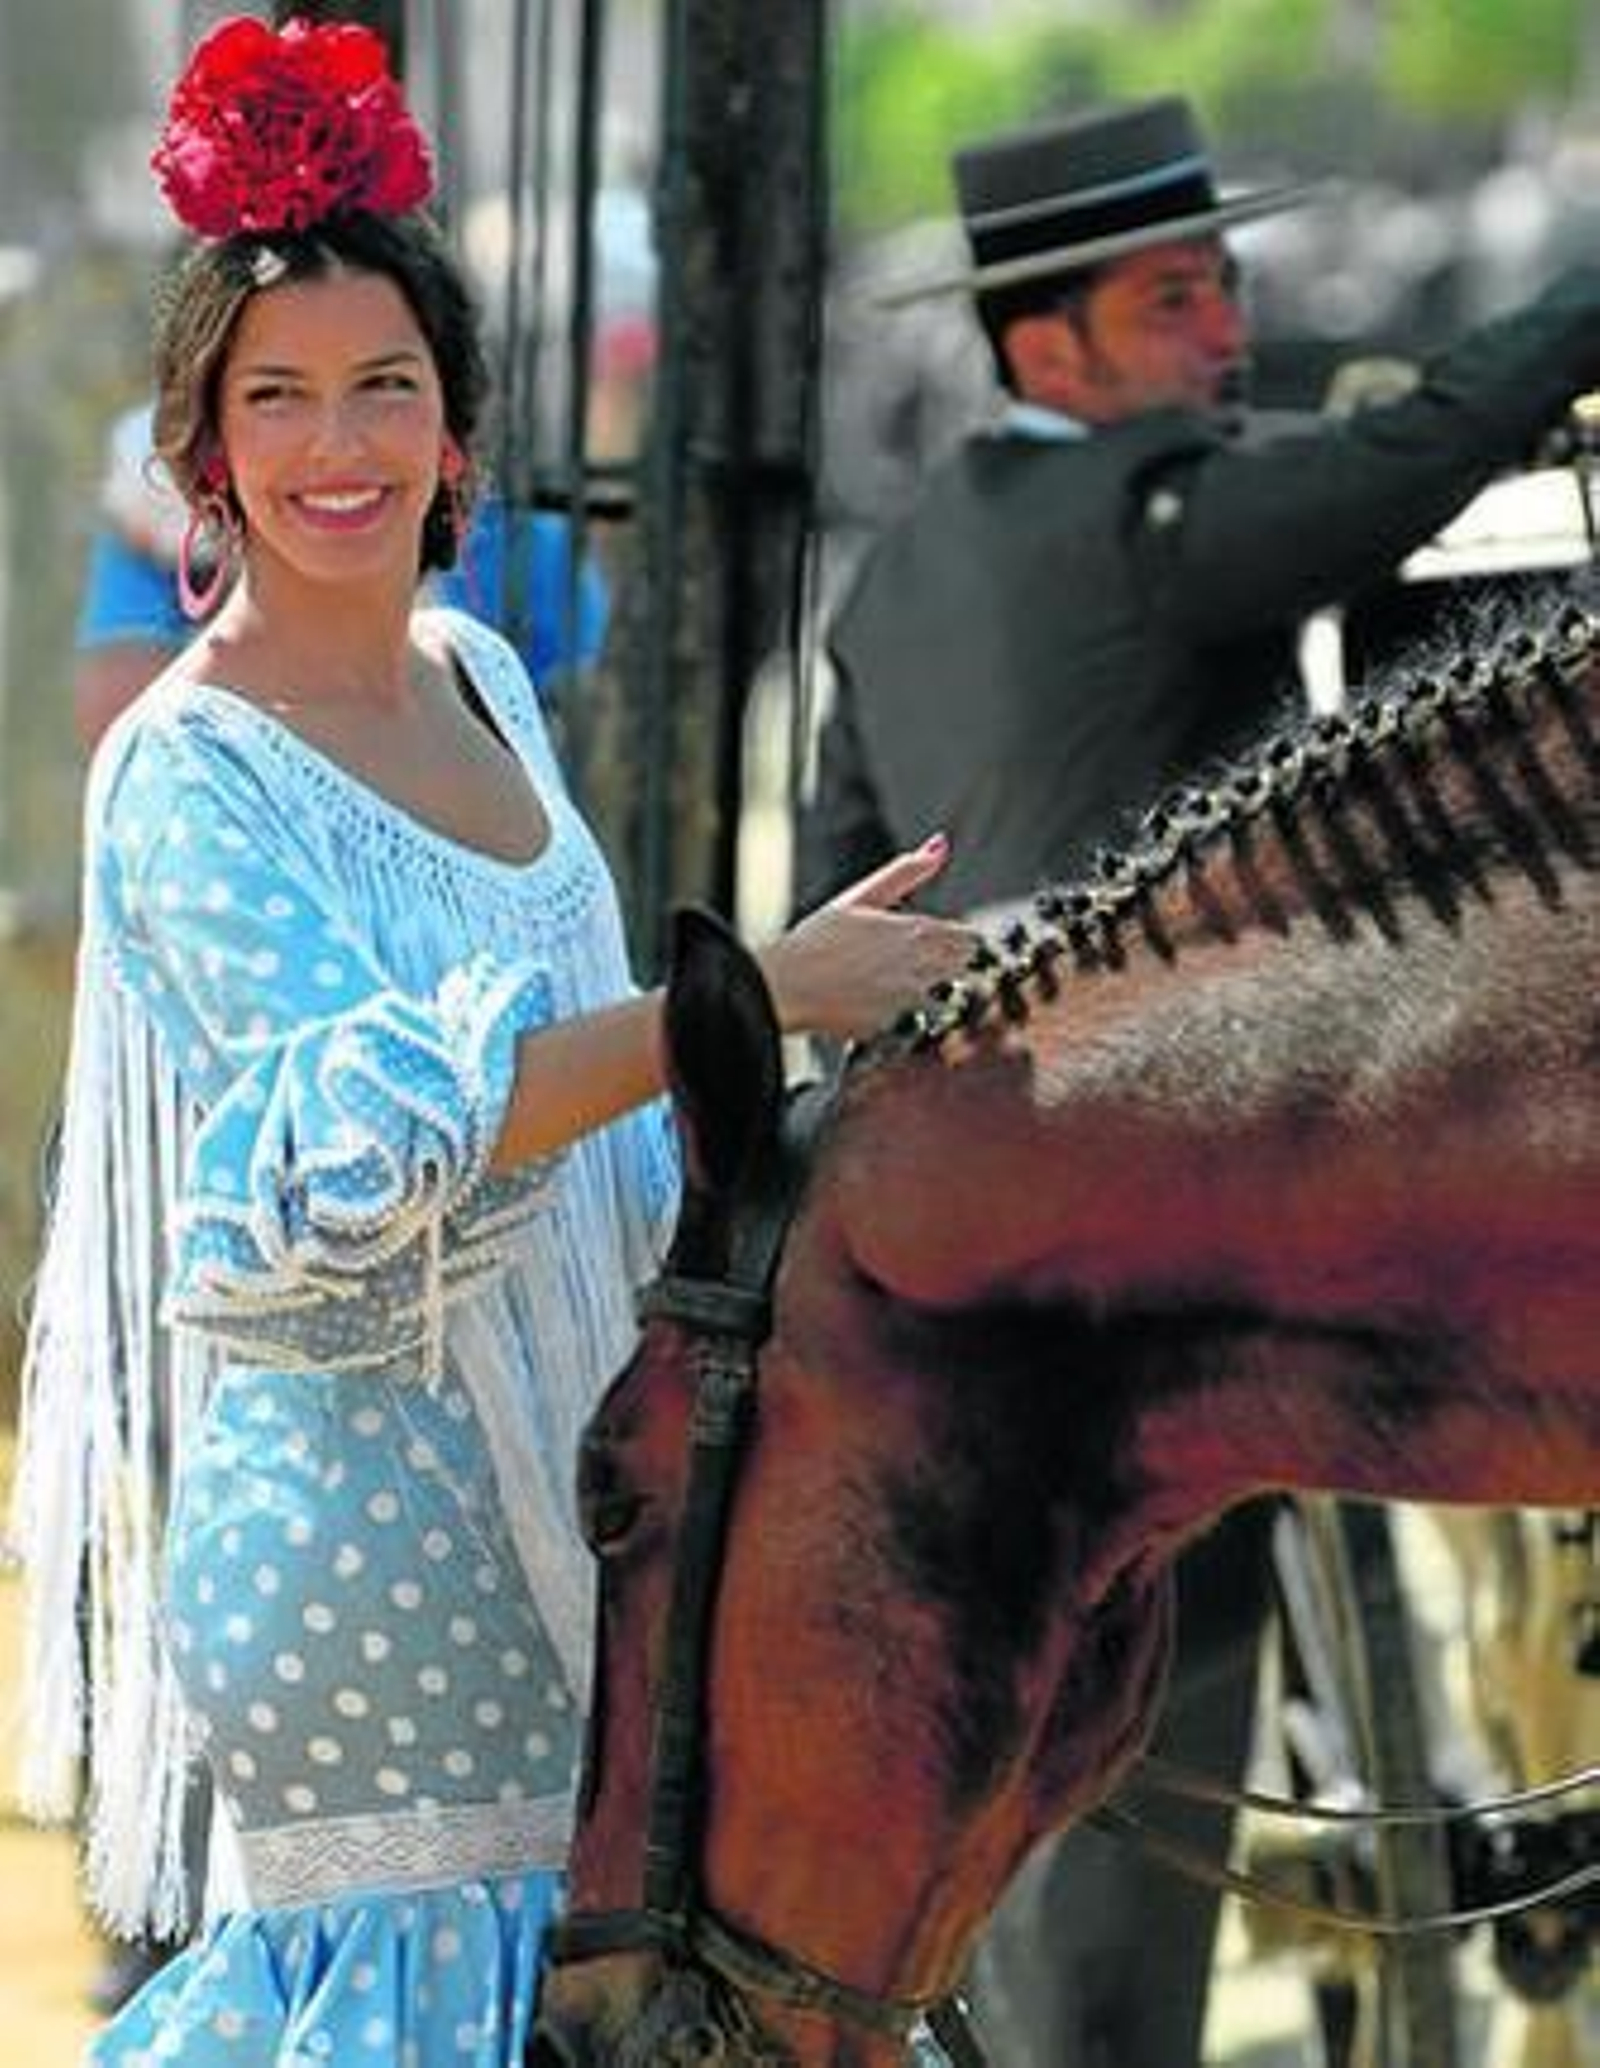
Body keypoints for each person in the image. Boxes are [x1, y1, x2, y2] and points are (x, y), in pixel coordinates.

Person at [9, 17, 975, 2065]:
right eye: (275, 397)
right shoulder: (186, 769)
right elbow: (372, 1146)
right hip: (366, 1542)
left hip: (594, 1473)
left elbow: (590, 1109)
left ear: (459, 431)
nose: (336, 442)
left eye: (386, 384)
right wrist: (760, 993)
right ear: (202, 455)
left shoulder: (480, 676)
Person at [794, 95, 1600, 2068]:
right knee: (1158, 1762)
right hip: (1175, 1275)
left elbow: (840, 917)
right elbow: (1408, 461)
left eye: (1225, 285)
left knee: (1025, 1782)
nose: (1225, 329)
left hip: (956, 1284)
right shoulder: (1143, 520)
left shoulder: (889, 583)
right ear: (1046, 344)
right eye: (1175, 300)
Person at [72, 403, 609, 753]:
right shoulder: (165, 492)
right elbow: (121, 724)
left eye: (380, 385)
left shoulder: (523, 549)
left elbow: (586, 731)